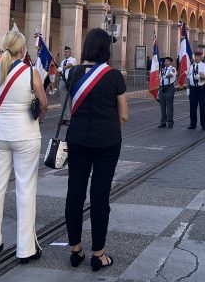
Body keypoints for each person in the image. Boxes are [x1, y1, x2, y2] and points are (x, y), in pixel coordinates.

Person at [0, 30, 48, 262]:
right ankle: (26, 248)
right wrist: (38, 115)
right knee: (25, 188)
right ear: (22, 49)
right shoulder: (31, 72)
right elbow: (44, 103)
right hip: (25, 133)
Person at [65, 28, 128, 272]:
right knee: (100, 197)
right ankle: (98, 254)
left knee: (75, 192)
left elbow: (72, 109)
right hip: (106, 143)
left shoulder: (73, 73)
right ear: (106, 49)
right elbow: (124, 115)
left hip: (78, 140)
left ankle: (75, 250)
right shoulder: (114, 76)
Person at [186, 50, 205, 130]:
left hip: (201, 88)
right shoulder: (192, 66)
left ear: (201, 57)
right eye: (195, 56)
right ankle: (193, 124)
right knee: (192, 106)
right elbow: (188, 78)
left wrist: (200, 77)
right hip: (193, 88)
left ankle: (204, 124)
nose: (196, 58)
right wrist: (188, 89)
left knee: (203, 106)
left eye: (197, 56)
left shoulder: (204, 66)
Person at [158, 56, 177, 128]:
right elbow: (159, 78)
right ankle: (163, 122)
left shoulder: (172, 69)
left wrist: (165, 76)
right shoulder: (162, 69)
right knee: (162, 105)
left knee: (169, 105)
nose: (166, 63)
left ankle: (170, 122)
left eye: (167, 61)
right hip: (162, 87)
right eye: (165, 61)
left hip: (169, 87)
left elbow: (171, 75)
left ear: (170, 62)